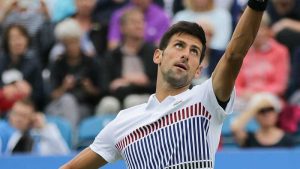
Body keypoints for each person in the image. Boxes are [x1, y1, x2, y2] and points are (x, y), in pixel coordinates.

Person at [60, 0, 268, 168]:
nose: (186, 54)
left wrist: (257, 3)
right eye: (179, 45)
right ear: (158, 56)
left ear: (198, 70)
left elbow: (234, 55)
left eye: (194, 51)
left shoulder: (207, 99)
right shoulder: (123, 122)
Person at [0, 99, 70, 155]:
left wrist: (44, 128)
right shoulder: (6, 131)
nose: (18, 119)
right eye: (15, 114)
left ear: (32, 117)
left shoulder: (44, 134)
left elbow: (64, 153)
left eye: (23, 115)